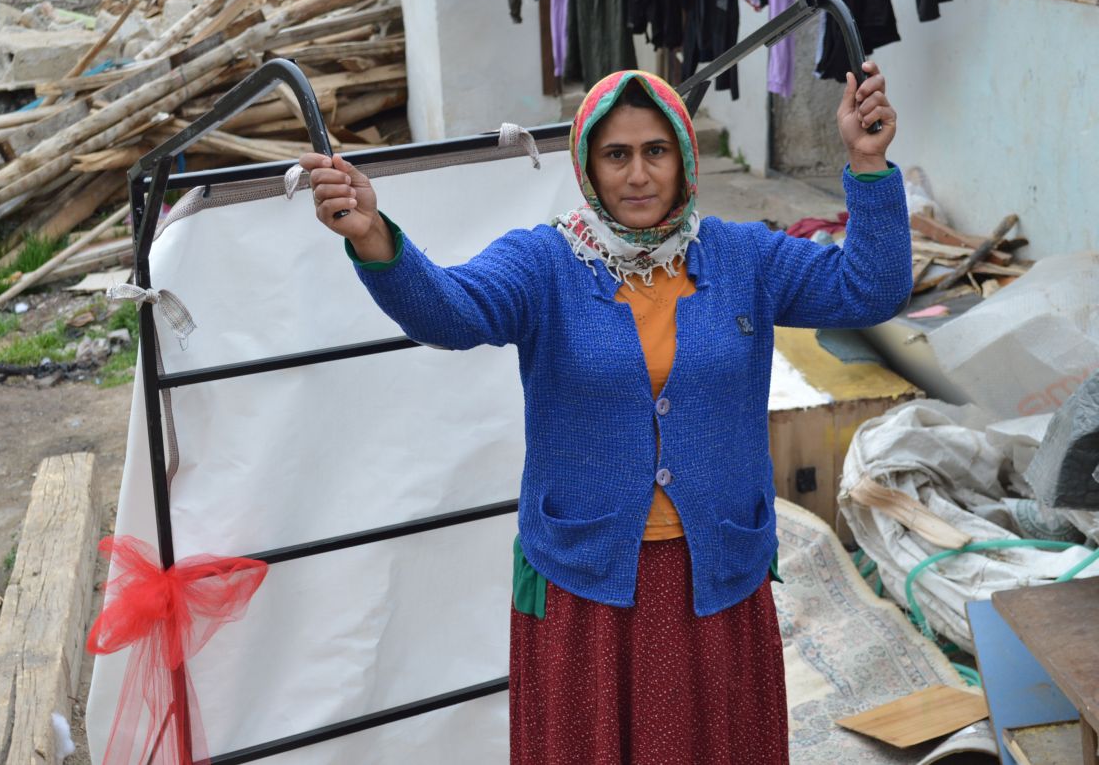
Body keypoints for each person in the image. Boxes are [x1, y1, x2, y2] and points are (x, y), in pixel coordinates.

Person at [298, 63, 909, 764]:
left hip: (713, 578)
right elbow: (451, 310)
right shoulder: (545, 262)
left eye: (656, 151)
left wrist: (867, 164)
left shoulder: (743, 258)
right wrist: (375, 235)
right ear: (588, 166)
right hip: (588, 583)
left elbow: (870, 286)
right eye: (616, 155)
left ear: (685, 159)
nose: (639, 175)